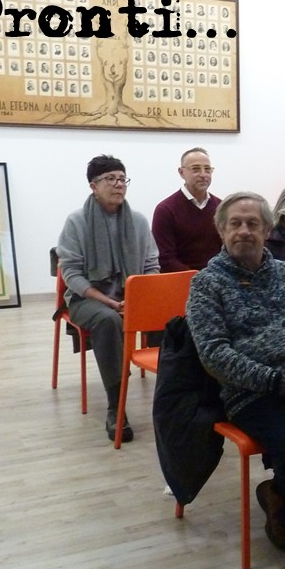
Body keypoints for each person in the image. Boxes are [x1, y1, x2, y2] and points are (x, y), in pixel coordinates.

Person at [186, 191, 285, 551]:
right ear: (222, 230)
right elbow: (213, 354)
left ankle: (281, 494)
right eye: (235, 224)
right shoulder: (206, 284)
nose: (244, 231)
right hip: (252, 392)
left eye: (253, 224)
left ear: (266, 230)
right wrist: (275, 381)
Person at [56, 155, 159, 442]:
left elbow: (151, 265)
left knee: (174, 315)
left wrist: (140, 297)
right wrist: (110, 302)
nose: (118, 184)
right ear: (93, 186)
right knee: (108, 320)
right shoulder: (77, 222)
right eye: (110, 179)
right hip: (87, 300)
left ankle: (178, 397)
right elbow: (72, 274)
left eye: (122, 179)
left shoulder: (138, 221)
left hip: (132, 296)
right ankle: (117, 405)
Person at [151, 147, 223, 272]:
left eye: (207, 169)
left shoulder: (221, 207)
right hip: (181, 279)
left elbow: (228, 251)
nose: (203, 175)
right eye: (196, 169)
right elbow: (165, 259)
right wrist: (199, 278)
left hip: (218, 276)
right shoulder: (165, 210)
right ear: (181, 172)